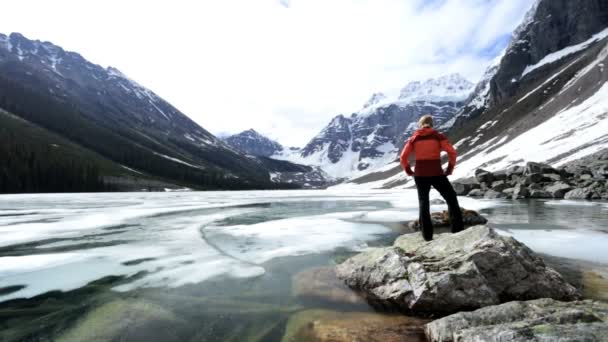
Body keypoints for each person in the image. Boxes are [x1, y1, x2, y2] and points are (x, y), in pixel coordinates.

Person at [400, 115, 464, 241]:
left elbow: (403, 157)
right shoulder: (438, 136)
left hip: (420, 175)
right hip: (436, 173)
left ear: (420, 125)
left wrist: (408, 170)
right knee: (451, 198)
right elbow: (452, 152)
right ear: (432, 124)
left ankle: (427, 236)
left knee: (424, 203)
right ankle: (457, 230)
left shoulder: (414, 139)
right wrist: (450, 168)